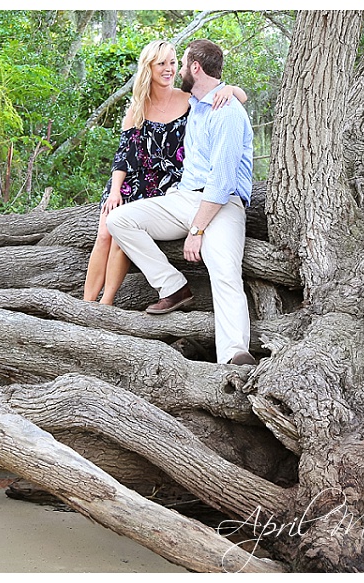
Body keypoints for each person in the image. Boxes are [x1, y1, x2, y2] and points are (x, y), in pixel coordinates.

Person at [106, 39, 256, 366]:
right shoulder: (199, 105)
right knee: (119, 221)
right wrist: (232, 88)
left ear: (195, 68)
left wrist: (197, 231)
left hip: (222, 205)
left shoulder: (227, 112)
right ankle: (173, 287)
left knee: (225, 273)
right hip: (185, 198)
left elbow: (222, 181)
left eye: (182, 63)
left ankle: (234, 355)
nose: (177, 69)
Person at [82, 39, 246, 305]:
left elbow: (228, 96)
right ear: (149, 67)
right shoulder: (137, 107)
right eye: (162, 63)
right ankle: (86, 303)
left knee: (121, 241)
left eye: (173, 62)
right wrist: (114, 192)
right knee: (104, 233)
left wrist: (231, 89)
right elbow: (124, 155)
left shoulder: (189, 99)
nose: (169, 68)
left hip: (167, 183)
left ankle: (106, 302)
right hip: (133, 181)